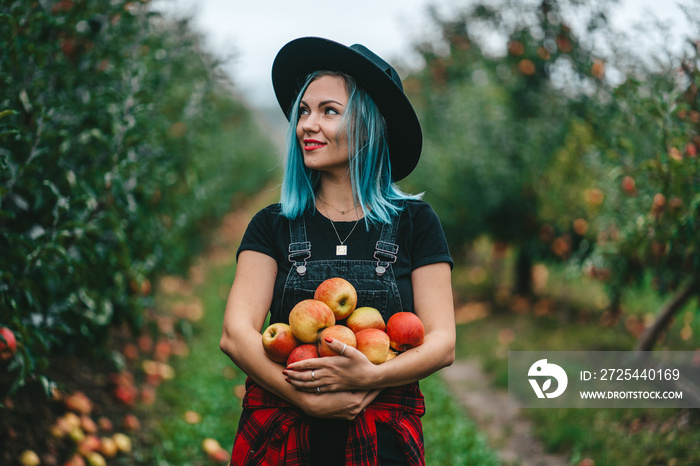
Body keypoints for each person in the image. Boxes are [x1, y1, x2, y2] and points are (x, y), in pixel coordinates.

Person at [220, 36, 456, 466]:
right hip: (284, 432)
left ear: (369, 124)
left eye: (329, 111)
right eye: (304, 111)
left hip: (380, 438)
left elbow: (442, 342)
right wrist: (304, 399)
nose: (308, 124)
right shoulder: (272, 225)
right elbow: (235, 335)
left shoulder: (414, 224)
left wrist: (376, 375)